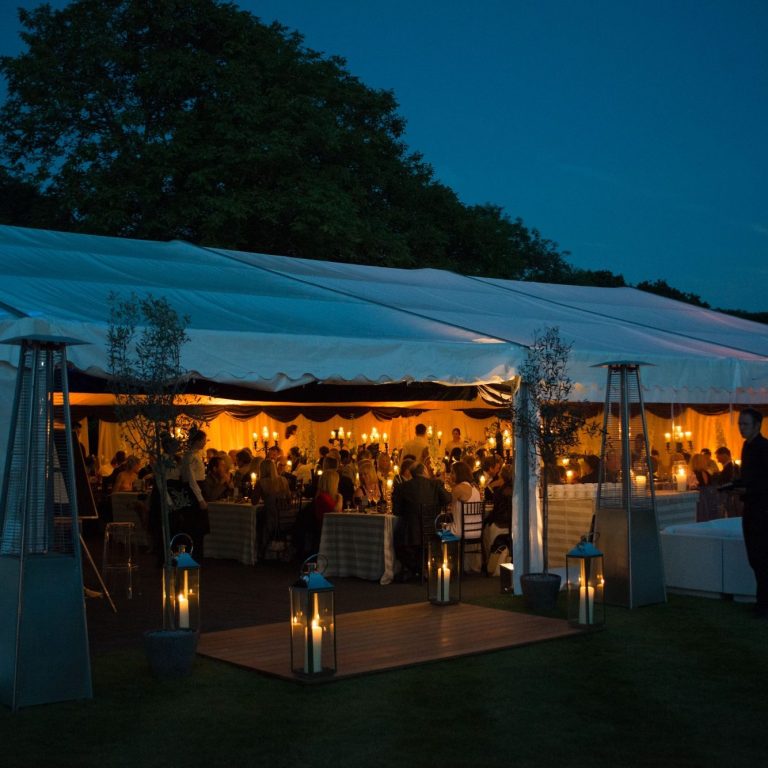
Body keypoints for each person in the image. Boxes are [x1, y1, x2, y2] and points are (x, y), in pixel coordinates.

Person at [391, 462, 451, 581]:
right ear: (424, 472)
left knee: (395, 538)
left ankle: (417, 569)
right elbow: (448, 499)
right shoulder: (435, 485)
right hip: (433, 531)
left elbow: (396, 511)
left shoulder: (402, 487)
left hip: (410, 534)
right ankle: (422, 568)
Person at [736, 408, 768, 618]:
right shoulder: (746, 447)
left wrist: (748, 489)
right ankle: (761, 602)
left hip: (763, 511)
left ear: (757, 425)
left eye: (745, 424)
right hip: (751, 508)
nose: (741, 428)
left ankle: (763, 605)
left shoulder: (764, 448)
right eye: (740, 424)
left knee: (762, 557)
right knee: (755, 558)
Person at [177, 427, 210, 560]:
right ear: (197, 441)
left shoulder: (194, 455)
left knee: (197, 527)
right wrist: (200, 498)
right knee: (194, 526)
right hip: (193, 493)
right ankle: (193, 556)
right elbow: (191, 480)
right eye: (203, 440)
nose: (205, 442)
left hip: (196, 490)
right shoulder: (190, 457)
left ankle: (197, 555)